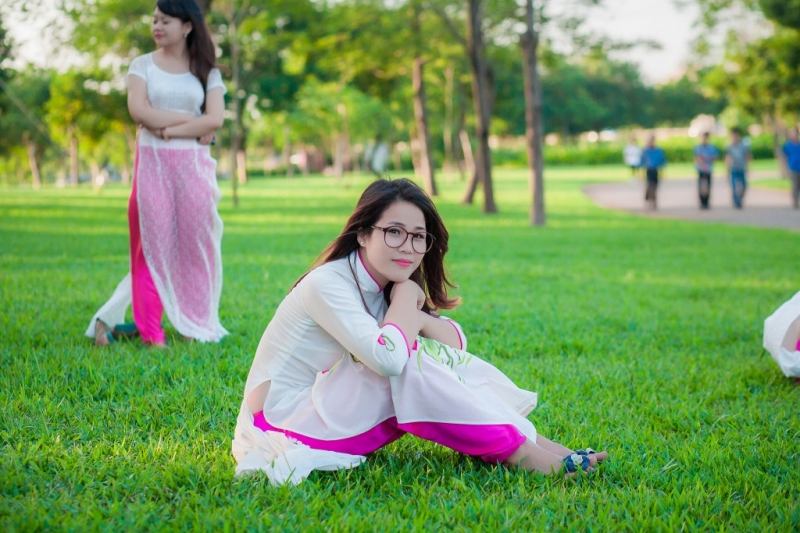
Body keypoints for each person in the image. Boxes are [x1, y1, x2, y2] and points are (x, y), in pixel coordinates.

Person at [231, 179, 608, 485]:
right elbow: (388, 361)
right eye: (393, 232)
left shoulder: (389, 284)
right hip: (283, 423)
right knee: (407, 361)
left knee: (421, 356)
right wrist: (405, 302)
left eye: (418, 236)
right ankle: (524, 453)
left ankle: (533, 444)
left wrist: (413, 308)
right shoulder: (327, 284)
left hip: (325, 409)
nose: (408, 247)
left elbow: (455, 348)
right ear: (363, 234)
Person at [86, 0, 228, 347]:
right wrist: (194, 123)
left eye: (165, 20)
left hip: (194, 170)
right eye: (154, 20)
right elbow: (139, 111)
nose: (157, 26)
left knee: (196, 249)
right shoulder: (142, 65)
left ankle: (194, 324)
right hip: (152, 168)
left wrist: (168, 129)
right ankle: (152, 334)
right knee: (151, 249)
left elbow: (216, 119)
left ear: (187, 26)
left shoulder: (207, 71)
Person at [725, 127, 751, 209]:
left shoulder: (743, 146)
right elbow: (727, 158)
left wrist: (748, 166)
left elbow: (747, 156)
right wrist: (727, 169)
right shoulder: (729, 146)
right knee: (734, 185)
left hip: (741, 168)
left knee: (744, 186)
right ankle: (736, 201)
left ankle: (740, 198)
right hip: (733, 168)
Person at [693, 132, 720, 209]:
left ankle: (706, 202)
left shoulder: (711, 148)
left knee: (708, 186)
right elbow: (696, 158)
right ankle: (702, 202)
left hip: (708, 169)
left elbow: (715, 157)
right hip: (701, 170)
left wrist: (709, 159)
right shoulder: (698, 148)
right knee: (701, 186)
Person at [640, 135, 666, 210]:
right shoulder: (645, 151)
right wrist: (641, 173)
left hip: (655, 170)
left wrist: (662, 173)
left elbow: (662, 162)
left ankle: (652, 200)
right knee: (650, 186)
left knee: (654, 186)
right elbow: (642, 162)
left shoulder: (658, 150)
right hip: (649, 170)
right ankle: (651, 200)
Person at [782, 128, 800, 209]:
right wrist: (785, 168)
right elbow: (784, 157)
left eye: (794, 133)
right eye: (791, 133)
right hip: (793, 168)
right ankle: (795, 203)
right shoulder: (787, 146)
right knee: (795, 186)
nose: (793, 135)